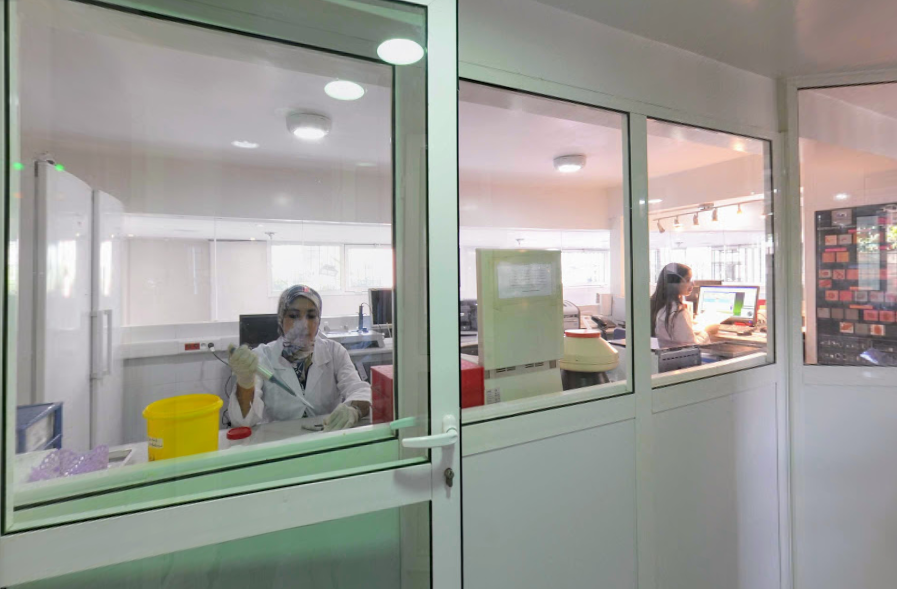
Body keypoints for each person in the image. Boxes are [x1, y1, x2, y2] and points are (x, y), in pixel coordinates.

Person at [227, 285, 371, 431]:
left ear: (319, 321)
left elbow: (360, 390)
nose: (303, 325)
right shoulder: (262, 356)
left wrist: (355, 410)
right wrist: (245, 383)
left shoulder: (335, 352)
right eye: (293, 316)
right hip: (279, 439)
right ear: (281, 320)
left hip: (327, 435)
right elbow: (241, 421)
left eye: (311, 316)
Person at [650, 263, 719, 347]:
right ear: (675, 283)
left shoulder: (657, 305)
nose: (692, 284)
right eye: (688, 280)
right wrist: (707, 332)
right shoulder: (678, 312)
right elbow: (692, 345)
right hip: (681, 354)